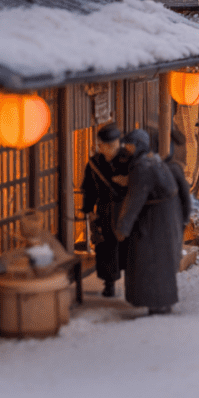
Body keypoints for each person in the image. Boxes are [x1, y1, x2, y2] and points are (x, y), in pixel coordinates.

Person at [115, 129, 193, 315]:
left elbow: (136, 198)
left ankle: (157, 303)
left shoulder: (143, 166)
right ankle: (161, 302)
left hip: (156, 221)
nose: (127, 149)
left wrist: (123, 226)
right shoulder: (152, 162)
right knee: (160, 262)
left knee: (152, 261)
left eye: (129, 145)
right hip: (165, 217)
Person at [79, 122, 129, 297]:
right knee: (106, 247)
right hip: (105, 209)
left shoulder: (127, 159)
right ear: (101, 145)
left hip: (125, 208)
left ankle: (132, 281)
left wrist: (128, 180)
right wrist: (88, 210)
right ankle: (109, 284)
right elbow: (89, 189)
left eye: (114, 144)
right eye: (107, 145)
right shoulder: (94, 163)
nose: (111, 148)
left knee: (128, 246)